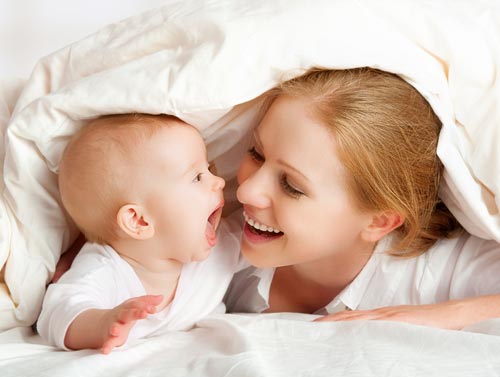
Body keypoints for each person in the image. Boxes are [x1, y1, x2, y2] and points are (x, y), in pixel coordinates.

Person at [223, 67, 500, 330]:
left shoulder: (435, 270)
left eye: (292, 186)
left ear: (380, 222)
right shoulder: (222, 243)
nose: (246, 191)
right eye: (257, 153)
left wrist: (437, 316)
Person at [38, 113, 248, 354]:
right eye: (197, 177)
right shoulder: (105, 269)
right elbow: (58, 312)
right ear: (139, 220)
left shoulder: (221, 247)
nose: (220, 181)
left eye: (209, 168)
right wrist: (102, 322)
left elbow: (270, 242)